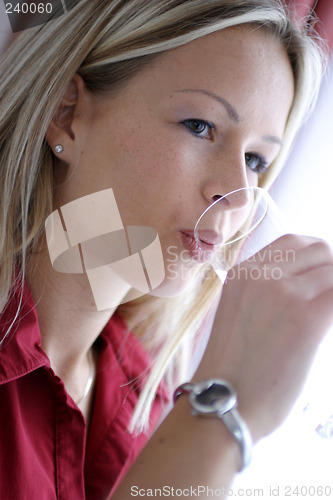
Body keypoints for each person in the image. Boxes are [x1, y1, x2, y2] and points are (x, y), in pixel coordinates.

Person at [0, 0, 332, 498]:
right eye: (201, 126)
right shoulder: (192, 412)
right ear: (65, 114)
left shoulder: (146, 400)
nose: (235, 191)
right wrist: (223, 405)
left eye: (257, 160)